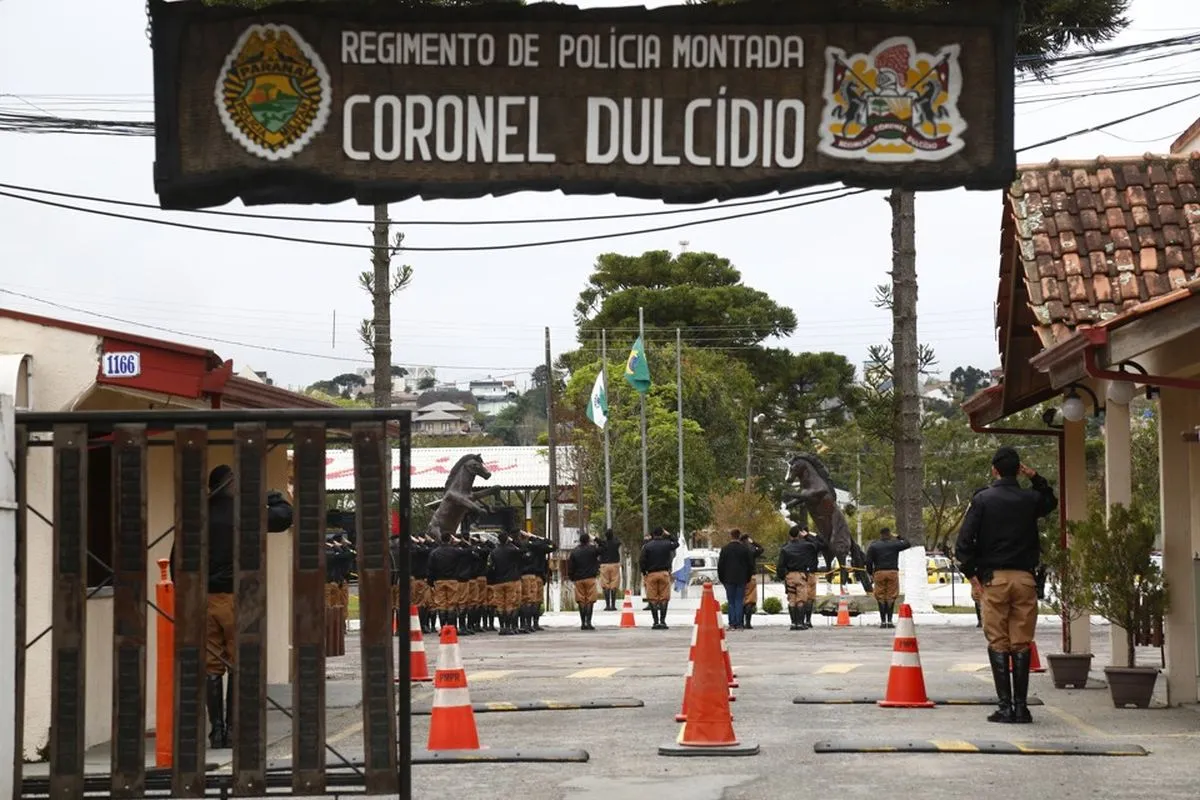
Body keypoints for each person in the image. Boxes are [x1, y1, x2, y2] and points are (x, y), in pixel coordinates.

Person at [168, 465, 294, 750]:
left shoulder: (195, 515)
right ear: (232, 485)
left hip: (202, 599)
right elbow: (286, 516)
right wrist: (270, 495)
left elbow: (177, 560)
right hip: (236, 598)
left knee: (211, 665)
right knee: (238, 663)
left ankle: (217, 731)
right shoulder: (245, 513)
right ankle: (235, 730)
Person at [954, 446, 1057, 725]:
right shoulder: (1030, 499)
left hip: (994, 579)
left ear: (994, 470)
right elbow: (1050, 502)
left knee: (998, 640)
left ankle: (1005, 706)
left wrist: (972, 575)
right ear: (1018, 469)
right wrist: (1035, 477)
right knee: (1021, 643)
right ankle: (1022, 708)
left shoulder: (983, 500)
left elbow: (963, 544)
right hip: (1025, 578)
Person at [777, 524, 821, 630]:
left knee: (792, 599)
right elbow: (818, 545)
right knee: (801, 600)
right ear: (798, 535)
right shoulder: (805, 546)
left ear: (789, 535)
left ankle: (793, 623)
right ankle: (801, 623)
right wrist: (807, 536)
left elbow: (780, 565)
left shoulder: (785, 548)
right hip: (801, 575)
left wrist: (783, 576)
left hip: (790, 575)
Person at [865, 527, 910, 629]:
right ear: (889, 534)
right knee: (891, 595)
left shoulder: (874, 546)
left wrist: (871, 573)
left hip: (879, 572)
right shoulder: (894, 544)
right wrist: (898, 536)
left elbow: (868, 561)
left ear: (880, 534)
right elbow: (907, 543)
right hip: (892, 572)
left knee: (880, 596)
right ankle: (889, 621)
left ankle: (883, 622)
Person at [638, 527, 678, 629]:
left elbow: (642, 560)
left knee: (652, 598)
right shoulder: (667, 544)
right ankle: (663, 621)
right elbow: (677, 543)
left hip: (651, 574)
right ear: (662, 533)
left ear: (653, 534)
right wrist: (669, 535)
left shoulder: (647, 546)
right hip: (664, 573)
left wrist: (644, 572)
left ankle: (655, 622)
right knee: (664, 598)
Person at [489, 531, 525, 636]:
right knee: (510, 603)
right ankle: (509, 627)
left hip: (498, 581)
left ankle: (502, 627)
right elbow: (524, 550)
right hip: (511, 580)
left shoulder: (494, 552)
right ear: (507, 539)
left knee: (500, 605)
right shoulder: (512, 550)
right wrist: (514, 541)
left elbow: (490, 566)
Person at [718, 529, 754, 630]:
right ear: (739, 536)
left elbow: (720, 565)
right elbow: (750, 565)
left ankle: (732, 623)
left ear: (731, 536)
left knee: (731, 601)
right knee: (739, 600)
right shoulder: (744, 549)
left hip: (728, 578)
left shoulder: (725, 549)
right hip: (741, 578)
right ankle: (739, 623)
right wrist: (747, 578)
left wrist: (722, 578)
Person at [426, 532, 461, 632]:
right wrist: (458, 542)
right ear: (450, 539)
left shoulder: (434, 552)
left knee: (441, 604)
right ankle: (452, 628)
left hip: (439, 580)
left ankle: (443, 629)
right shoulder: (455, 551)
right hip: (452, 580)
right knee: (452, 604)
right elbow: (466, 553)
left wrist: (430, 582)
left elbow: (430, 568)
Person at [567, 533, 602, 630]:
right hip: (590, 578)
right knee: (590, 600)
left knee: (581, 600)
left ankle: (583, 623)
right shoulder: (592, 549)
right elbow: (604, 547)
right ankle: (589, 622)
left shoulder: (574, 552)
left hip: (578, 579)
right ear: (588, 540)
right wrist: (596, 539)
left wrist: (572, 577)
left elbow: (570, 567)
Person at [740, 533, 765, 629]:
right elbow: (761, 549)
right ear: (748, 539)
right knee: (750, 600)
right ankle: (748, 623)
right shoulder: (752, 549)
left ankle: (740, 621)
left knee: (741, 599)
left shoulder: (739, 549)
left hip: (740, 576)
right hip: (751, 576)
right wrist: (754, 542)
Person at [598, 529, 622, 610]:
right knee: (614, 585)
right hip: (615, 565)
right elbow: (619, 541)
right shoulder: (616, 543)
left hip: (604, 565)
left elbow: (597, 540)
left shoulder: (603, 543)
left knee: (605, 585)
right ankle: (613, 605)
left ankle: (607, 605)